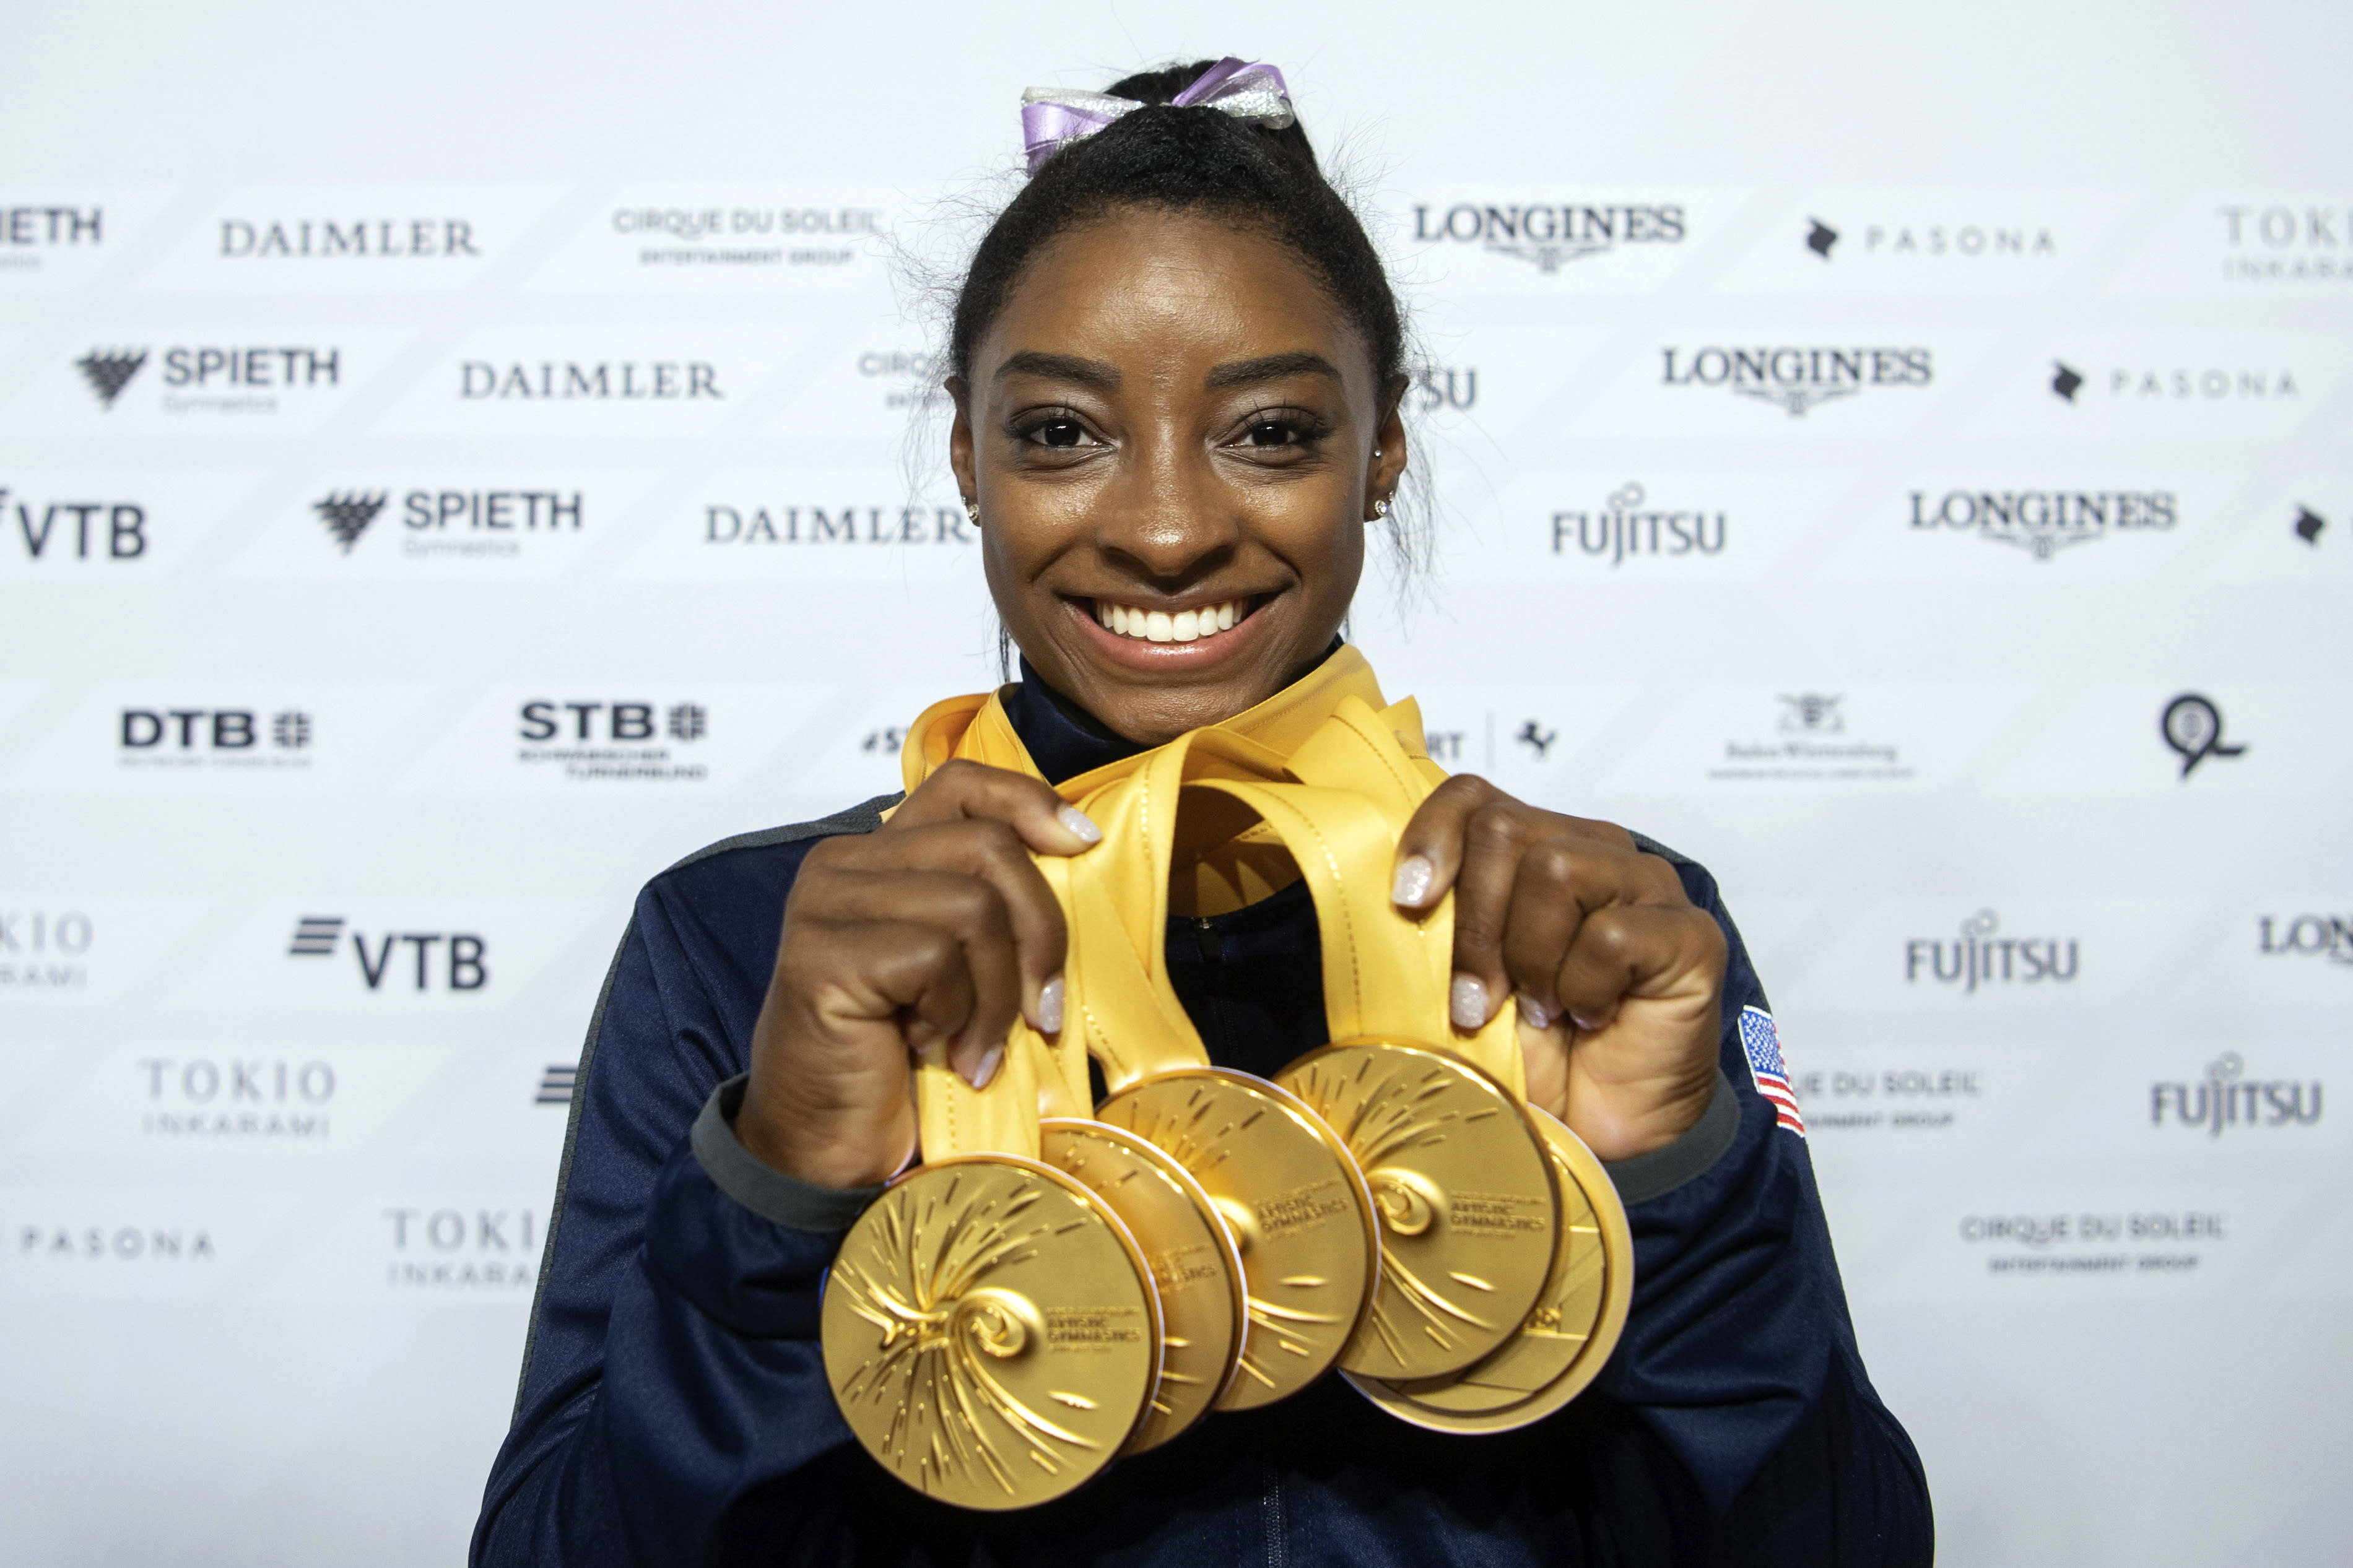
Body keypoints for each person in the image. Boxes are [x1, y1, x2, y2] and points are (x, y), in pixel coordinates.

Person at [472, 58, 1933, 1567]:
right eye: (1059, 432)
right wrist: (781, 1191)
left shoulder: (1586, 933)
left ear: (1382, 452)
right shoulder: (749, 940)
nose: (1166, 529)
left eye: (1271, 432)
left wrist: (1666, 1177)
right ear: (966, 455)